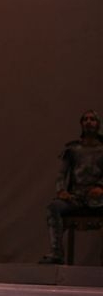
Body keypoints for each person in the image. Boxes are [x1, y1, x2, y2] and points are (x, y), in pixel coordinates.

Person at [39, 109, 103, 264]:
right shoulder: (72, 149)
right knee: (54, 207)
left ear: (98, 124)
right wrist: (61, 191)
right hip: (76, 197)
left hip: (98, 197)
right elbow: (62, 174)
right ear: (81, 124)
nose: (89, 122)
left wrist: (101, 187)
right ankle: (56, 252)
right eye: (85, 119)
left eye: (92, 119)